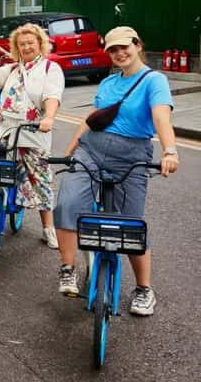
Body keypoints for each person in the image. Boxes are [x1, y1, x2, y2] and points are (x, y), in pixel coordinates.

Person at [53, 27, 177, 315]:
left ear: (137, 45)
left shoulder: (154, 80)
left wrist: (170, 150)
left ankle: (144, 289)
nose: (120, 53)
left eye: (125, 47)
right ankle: (68, 269)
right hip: (91, 150)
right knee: (68, 201)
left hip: (131, 155)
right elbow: (93, 118)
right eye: (113, 50)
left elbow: (161, 116)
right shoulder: (108, 83)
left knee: (131, 224)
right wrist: (72, 147)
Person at [0, 23, 64, 248]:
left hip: (32, 130)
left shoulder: (51, 69)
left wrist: (49, 118)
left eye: (31, 42)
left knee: (39, 177)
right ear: (16, 48)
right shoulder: (13, 69)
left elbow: (52, 96)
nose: (27, 47)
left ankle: (48, 228)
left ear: (40, 43)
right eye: (22, 44)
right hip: (2, 126)